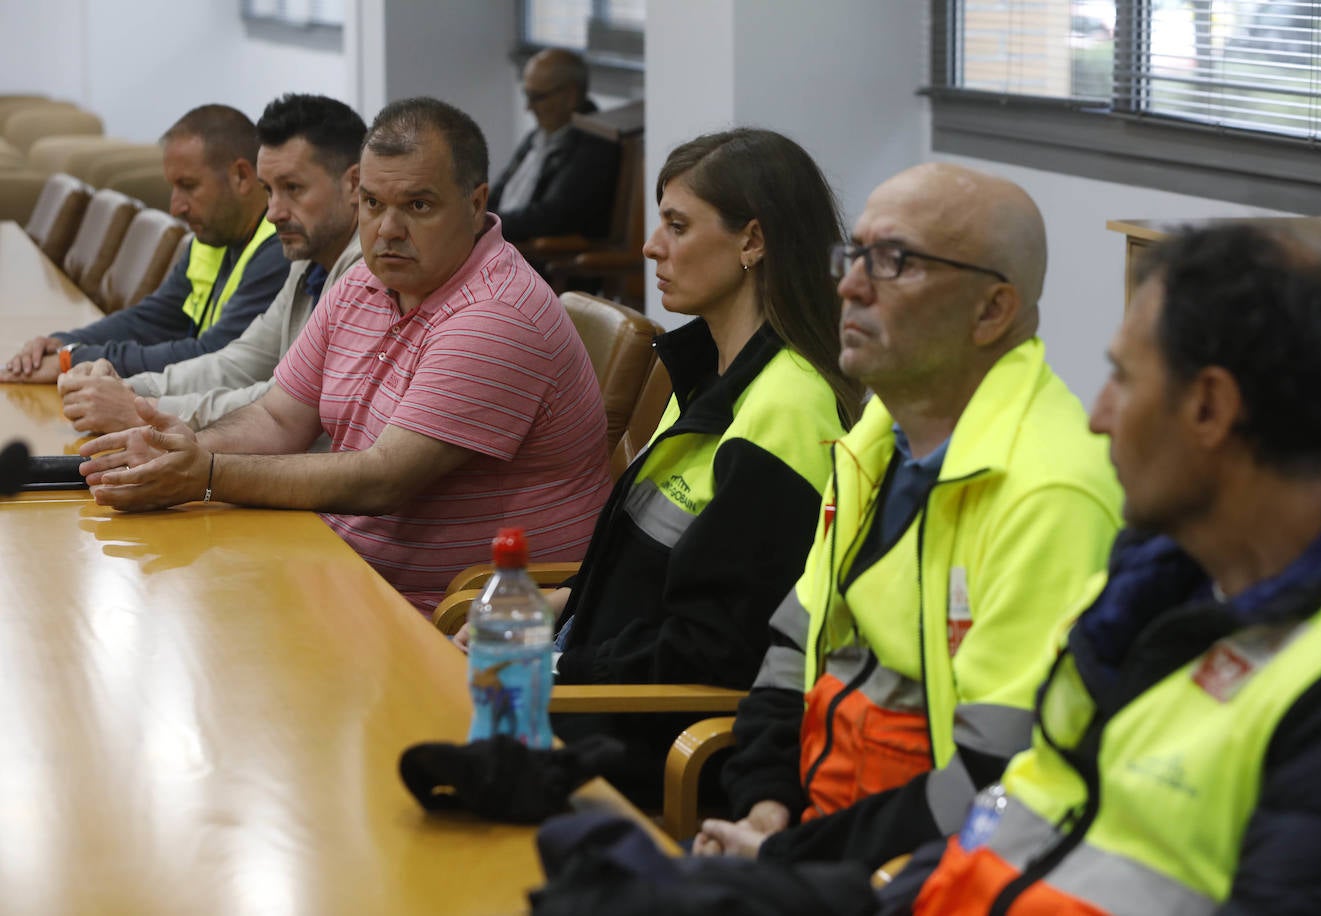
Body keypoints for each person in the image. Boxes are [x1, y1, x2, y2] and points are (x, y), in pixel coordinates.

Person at [904, 224, 1321, 914]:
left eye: (1122, 379)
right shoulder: (1150, 588)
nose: (1097, 418)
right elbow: (1007, 836)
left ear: (1210, 407)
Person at [693, 162, 1122, 869]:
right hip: (814, 833)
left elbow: (999, 779)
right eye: (855, 254)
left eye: (894, 262)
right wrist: (765, 806)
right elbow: (793, 651)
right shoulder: (877, 432)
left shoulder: (1050, 492)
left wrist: (789, 854)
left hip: (924, 874)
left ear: (992, 311)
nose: (851, 285)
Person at [75, 97, 613, 614]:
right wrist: (179, 452)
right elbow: (276, 416)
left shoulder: (497, 313)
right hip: (337, 565)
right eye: (374, 205)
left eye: (418, 206)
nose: (388, 230)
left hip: (454, 617)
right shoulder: (361, 281)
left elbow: (384, 479)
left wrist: (206, 472)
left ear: (475, 206)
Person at [461, 128, 864, 804]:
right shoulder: (716, 376)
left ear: (752, 242)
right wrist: (545, 610)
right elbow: (647, 578)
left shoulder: (788, 410)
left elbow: (715, 649)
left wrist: (554, 663)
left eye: (676, 225)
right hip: (598, 696)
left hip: (641, 740)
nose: (651, 246)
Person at [57, 93, 367, 435]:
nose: (275, 210)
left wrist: (140, 409)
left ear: (353, 184)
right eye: (270, 190)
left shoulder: (366, 275)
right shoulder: (309, 261)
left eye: (293, 188)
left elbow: (282, 408)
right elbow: (239, 363)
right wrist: (131, 388)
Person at [2, 105, 290, 384]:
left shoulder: (280, 250)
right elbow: (154, 319)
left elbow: (213, 358)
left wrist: (76, 359)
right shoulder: (214, 236)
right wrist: (64, 342)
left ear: (240, 175)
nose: (176, 207)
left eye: (188, 186)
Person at [488, 48, 619, 242]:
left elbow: (552, 217)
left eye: (537, 97)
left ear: (570, 96)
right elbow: (498, 193)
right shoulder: (537, 136)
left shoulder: (595, 145)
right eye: (527, 95)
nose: (528, 107)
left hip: (541, 259)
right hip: (505, 242)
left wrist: (487, 225)